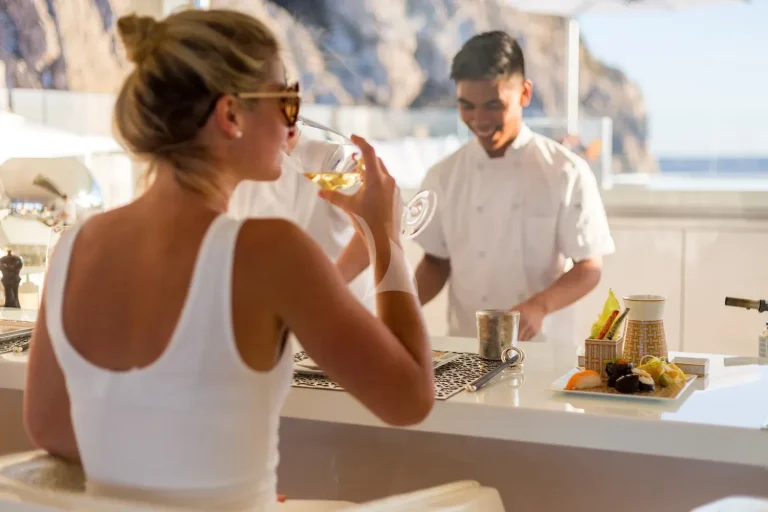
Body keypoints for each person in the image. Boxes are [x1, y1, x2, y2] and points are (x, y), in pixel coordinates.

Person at [22, 9, 433, 512]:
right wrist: (384, 237)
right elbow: (410, 398)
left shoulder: (73, 247)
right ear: (231, 115)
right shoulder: (271, 250)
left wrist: (196, 473)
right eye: (286, 101)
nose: (294, 126)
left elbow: (49, 427)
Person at [412, 31, 615, 344]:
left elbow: (589, 267)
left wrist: (539, 306)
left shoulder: (565, 171)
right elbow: (436, 262)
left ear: (524, 93)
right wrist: (396, 310)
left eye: (493, 105)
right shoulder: (443, 175)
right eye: (467, 106)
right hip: (466, 348)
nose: (479, 119)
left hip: (542, 350)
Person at [228, 126, 375, 313]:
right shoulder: (226, 168)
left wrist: (324, 290)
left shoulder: (324, 157)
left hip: (341, 311)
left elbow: (376, 223)